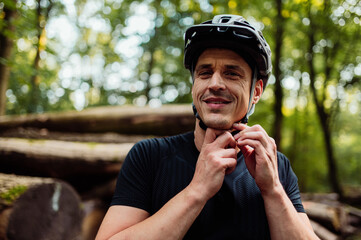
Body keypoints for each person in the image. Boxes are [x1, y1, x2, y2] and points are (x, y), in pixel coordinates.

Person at [96, 14, 319, 240]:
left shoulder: (277, 166)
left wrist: (272, 190)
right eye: (204, 73)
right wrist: (197, 190)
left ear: (257, 92)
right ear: (194, 86)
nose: (215, 84)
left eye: (232, 73)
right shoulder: (149, 156)